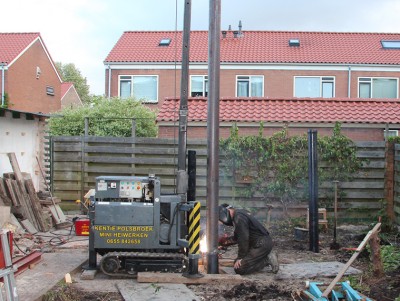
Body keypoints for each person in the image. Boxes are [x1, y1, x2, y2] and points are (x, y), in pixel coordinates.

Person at [218, 204, 279, 275]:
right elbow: (237, 237)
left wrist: (241, 257)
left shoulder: (239, 217)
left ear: (226, 212)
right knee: (236, 263)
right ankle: (263, 258)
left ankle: (266, 260)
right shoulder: (240, 214)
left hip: (261, 244)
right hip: (260, 243)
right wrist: (223, 242)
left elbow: (243, 238)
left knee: (239, 269)